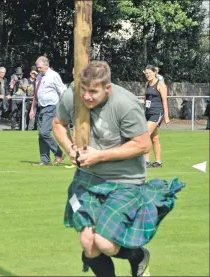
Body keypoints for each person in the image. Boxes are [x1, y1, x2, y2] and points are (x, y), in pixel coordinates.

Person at [52, 61, 185, 277]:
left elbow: (143, 144)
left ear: (107, 88)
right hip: (87, 179)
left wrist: (99, 155)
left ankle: (138, 256)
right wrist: (70, 149)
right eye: (84, 90)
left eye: (93, 92)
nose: (86, 97)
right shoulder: (73, 94)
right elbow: (58, 123)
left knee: (104, 242)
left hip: (125, 181)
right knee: (88, 242)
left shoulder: (125, 103)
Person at [29, 56, 67, 166]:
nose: (38, 69)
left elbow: (62, 91)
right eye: (37, 67)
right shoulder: (39, 76)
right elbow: (36, 93)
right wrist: (32, 109)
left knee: (44, 132)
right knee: (41, 135)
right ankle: (44, 160)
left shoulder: (54, 76)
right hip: (41, 107)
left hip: (51, 107)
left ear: (46, 65)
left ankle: (58, 153)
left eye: (39, 67)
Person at [143, 65, 170, 168]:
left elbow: (164, 101)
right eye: (146, 73)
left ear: (155, 72)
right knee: (154, 138)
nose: (147, 75)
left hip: (157, 113)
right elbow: (146, 99)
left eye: (149, 73)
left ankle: (146, 161)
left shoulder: (161, 85)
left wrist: (166, 116)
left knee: (145, 134)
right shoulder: (147, 84)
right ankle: (158, 162)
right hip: (148, 113)